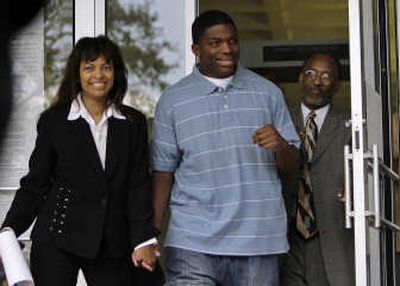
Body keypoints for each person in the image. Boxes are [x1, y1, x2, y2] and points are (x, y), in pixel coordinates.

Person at [152, 10, 300, 286]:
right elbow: (163, 171)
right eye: (216, 43)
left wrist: (279, 145)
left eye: (233, 41)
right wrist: (152, 233)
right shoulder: (172, 101)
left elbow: (293, 164)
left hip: (258, 241)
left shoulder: (268, 93)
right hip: (192, 240)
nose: (227, 49)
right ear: (196, 49)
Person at [1, 35, 160, 286]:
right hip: (58, 237)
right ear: (77, 73)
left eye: (106, 67)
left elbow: (138, 184)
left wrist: (143, 239)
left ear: (115, 73)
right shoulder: (54, 121)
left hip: (112, 241)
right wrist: (8, 229)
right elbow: (36, 184)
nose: (99, 75)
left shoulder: (133, 123)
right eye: (89, 67)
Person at [280, 53, 354, 286]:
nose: (317, 81)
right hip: (285, 236)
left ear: (338, 86)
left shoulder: (350, 124)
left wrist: (353, 188)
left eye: (326, 76)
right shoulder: (280, 122)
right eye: (311, 74)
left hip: (331, 234)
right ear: (301, 79)